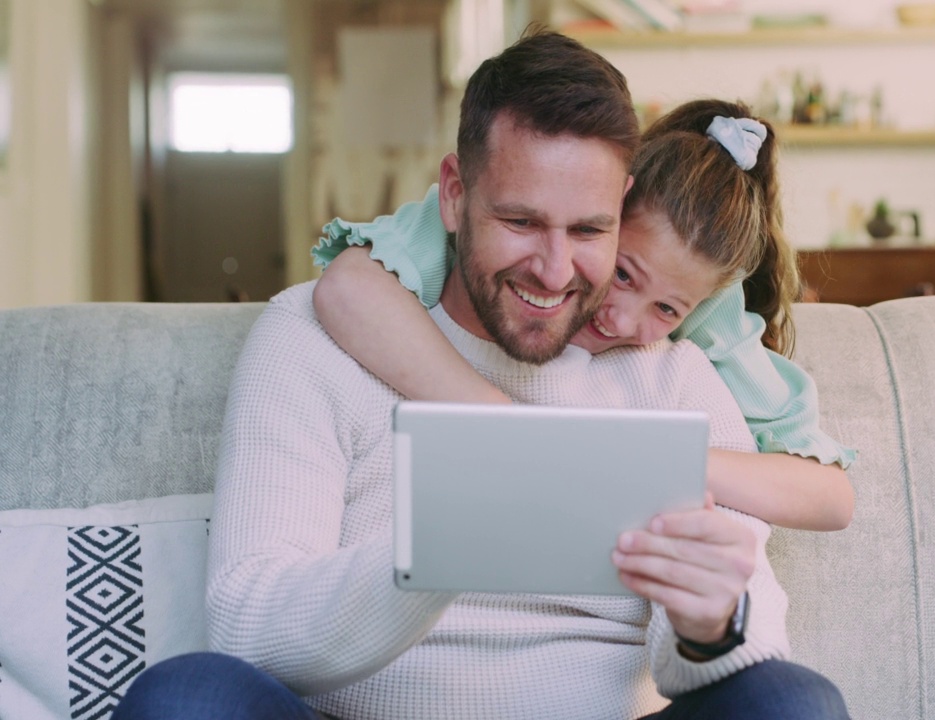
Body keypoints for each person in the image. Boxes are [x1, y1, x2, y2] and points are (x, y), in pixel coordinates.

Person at [112, 29, 848, 720]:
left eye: (590, 231)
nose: (556, 272)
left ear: (624, 211)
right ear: (455, 196)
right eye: (522, 222)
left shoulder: (675, 375)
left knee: (792, 702)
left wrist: (708, 625)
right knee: (187, 697)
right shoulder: (314, 336)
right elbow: (249, 623)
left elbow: (738, 637)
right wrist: (434, 549)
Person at [311, 99, 857, 532]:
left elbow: (829, 497)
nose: (621, 320)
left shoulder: (700, 300)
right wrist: (501, 420)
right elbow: (347, 286)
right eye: (621, 273)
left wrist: (648, 457)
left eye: (665, 309)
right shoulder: (495, 223)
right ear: (602, 214)